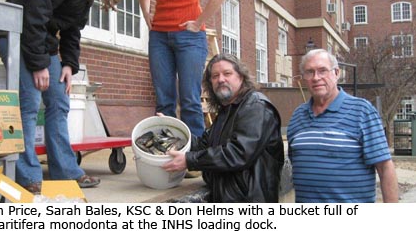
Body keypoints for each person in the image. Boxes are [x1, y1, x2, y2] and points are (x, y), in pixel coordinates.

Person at [0, 0, 130, 193]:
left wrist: (68, 64)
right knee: (30, 101)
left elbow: (72, 30)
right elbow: (34, 15)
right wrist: (38, 65)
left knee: (59, 100)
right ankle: (27, 175)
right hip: (13, 32)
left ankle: (65, 171)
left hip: (39, 41)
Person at [138, 0, 228, 139]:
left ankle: (194, 154)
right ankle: (166, 150)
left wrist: (199, 22)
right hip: (159, 38)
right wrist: (148, 17)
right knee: (164, 100)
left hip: (190, 37)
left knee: (189, 99)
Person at [162, 54, 284, 202]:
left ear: (241, 77)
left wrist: (190, 161)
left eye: (227, 73)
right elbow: (204, 145)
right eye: (215, 76)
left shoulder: (256, 106)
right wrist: (172, 128)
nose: (220, 79)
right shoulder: (227, 111)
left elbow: (239, 153)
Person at [287, 49, 399, 203]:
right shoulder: (297, 116)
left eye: (322, 71)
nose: (316, 78)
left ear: (336, 73)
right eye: (309, 72)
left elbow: (385, 167)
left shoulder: (362, 111)